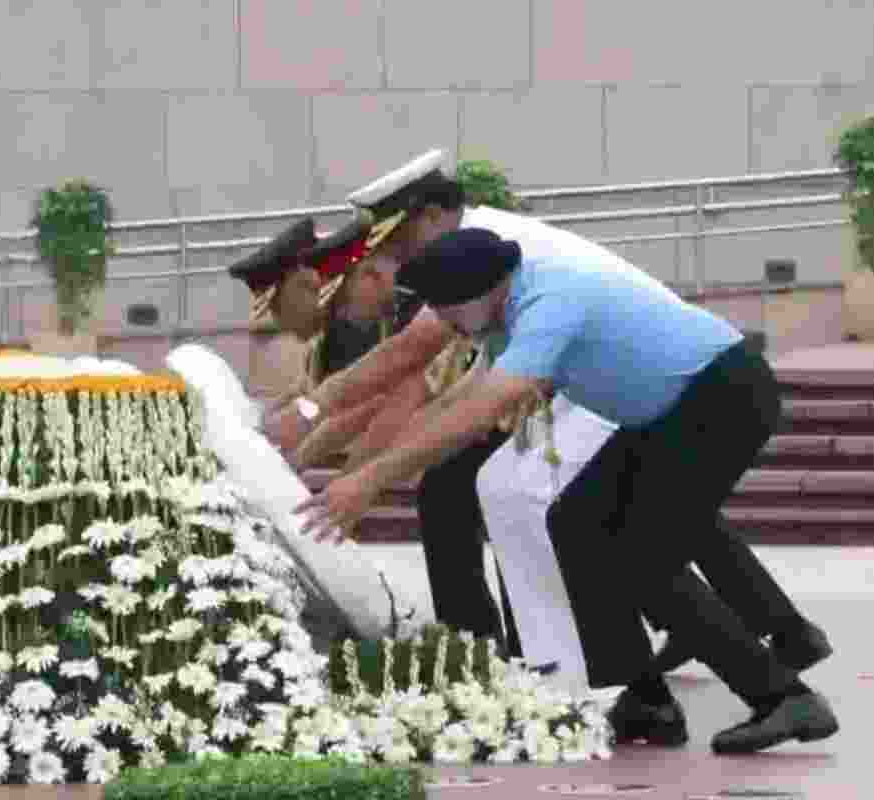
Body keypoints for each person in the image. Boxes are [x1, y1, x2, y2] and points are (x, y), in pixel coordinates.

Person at [262, 148, 831, 686]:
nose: (396, 259)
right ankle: (723, 643)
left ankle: (531, 653)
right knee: (631, 519)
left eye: (400, 239)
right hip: (618, 378)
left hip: (639, 374)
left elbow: (417, 362)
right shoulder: (471, 254)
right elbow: (450, 385)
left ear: (433, 216)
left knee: (528, 501)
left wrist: (349, 460)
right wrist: (332, 454)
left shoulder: (492, 251)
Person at [229, 215, 525, 656]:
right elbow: (336, 410)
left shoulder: (412, 309)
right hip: (479, 414)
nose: (280, 321)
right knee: (448, 496)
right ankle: (478, 639)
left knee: (490, 502)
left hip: (508, 413)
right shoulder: (353, 327)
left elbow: (388, 401)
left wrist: (354, 479)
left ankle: (502, 643)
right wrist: (298, 462)